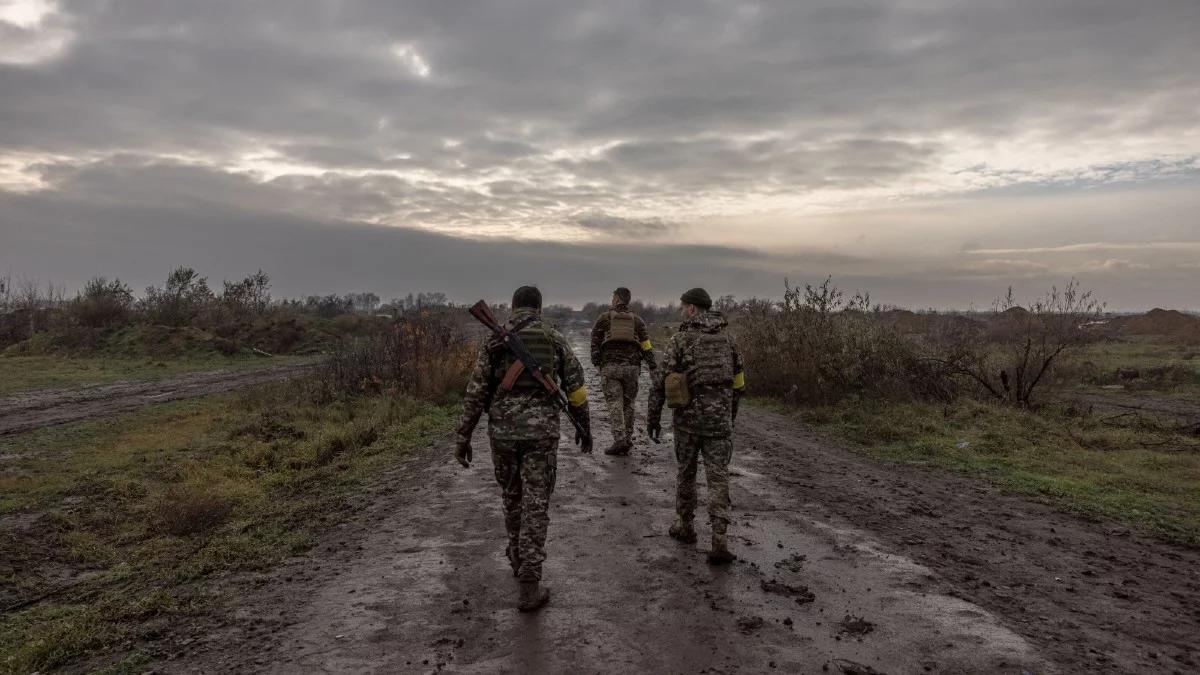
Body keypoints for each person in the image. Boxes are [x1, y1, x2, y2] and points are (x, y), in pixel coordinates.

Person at [455, 286, 592, 611]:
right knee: (536, 504)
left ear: (514, 306)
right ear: (539, 309)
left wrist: (464, 436)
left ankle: (518, 557)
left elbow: (475, 393)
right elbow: (576, 385)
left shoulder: (494, 343)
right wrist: (584, 427)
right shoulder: (552, 336)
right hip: (541, 433)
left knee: (512, 496)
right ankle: (529, 583)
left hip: (502, 433)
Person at [647, 287, 746, 564]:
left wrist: (653, 419)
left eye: (682, 306)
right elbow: (739, 384)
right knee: (718, 476)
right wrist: (729, 415)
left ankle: (685, 526)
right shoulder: (729, 340)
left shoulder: (680, 340)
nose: (681, 311)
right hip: (719, 423)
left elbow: (661, 384)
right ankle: (720, 539)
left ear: (692, 309)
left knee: (686, 474)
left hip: (688, 423)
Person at [589, 287, 657, 455]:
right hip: (632, 369)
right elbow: (646, 345)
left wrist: (597, 363)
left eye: (613, 297)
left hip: (610, 368)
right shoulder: (637, 320)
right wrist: (652, 365)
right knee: (629, 404)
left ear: (617, 299)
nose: (611, 300)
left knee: (614, 403)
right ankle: (627, 438)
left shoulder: (604, 318)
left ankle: (619, 441)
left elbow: (595, 342)